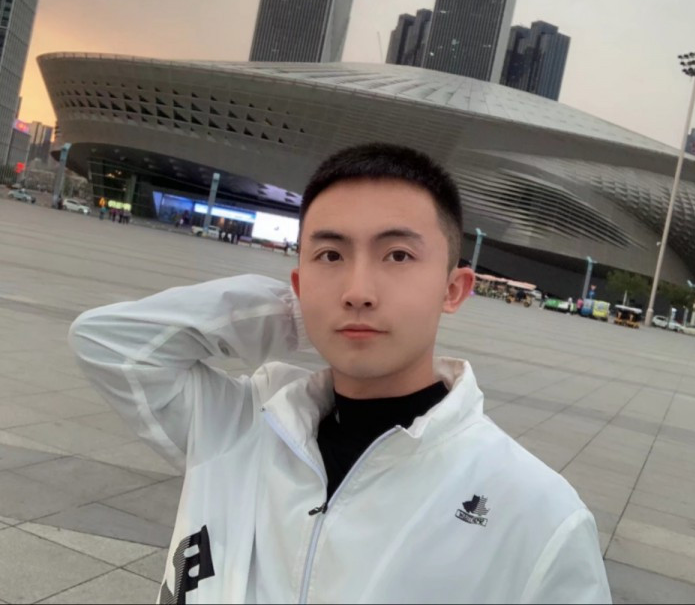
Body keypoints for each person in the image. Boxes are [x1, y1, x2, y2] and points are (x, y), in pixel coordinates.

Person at [68, 143, 610, 604]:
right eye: (330, 255)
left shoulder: (537, 513)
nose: (358, 291)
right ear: (298, 285)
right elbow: (108, 342)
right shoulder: (241, 425)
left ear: (453, 290)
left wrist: (333, 316)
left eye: (397, 255)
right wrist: (300, 317)